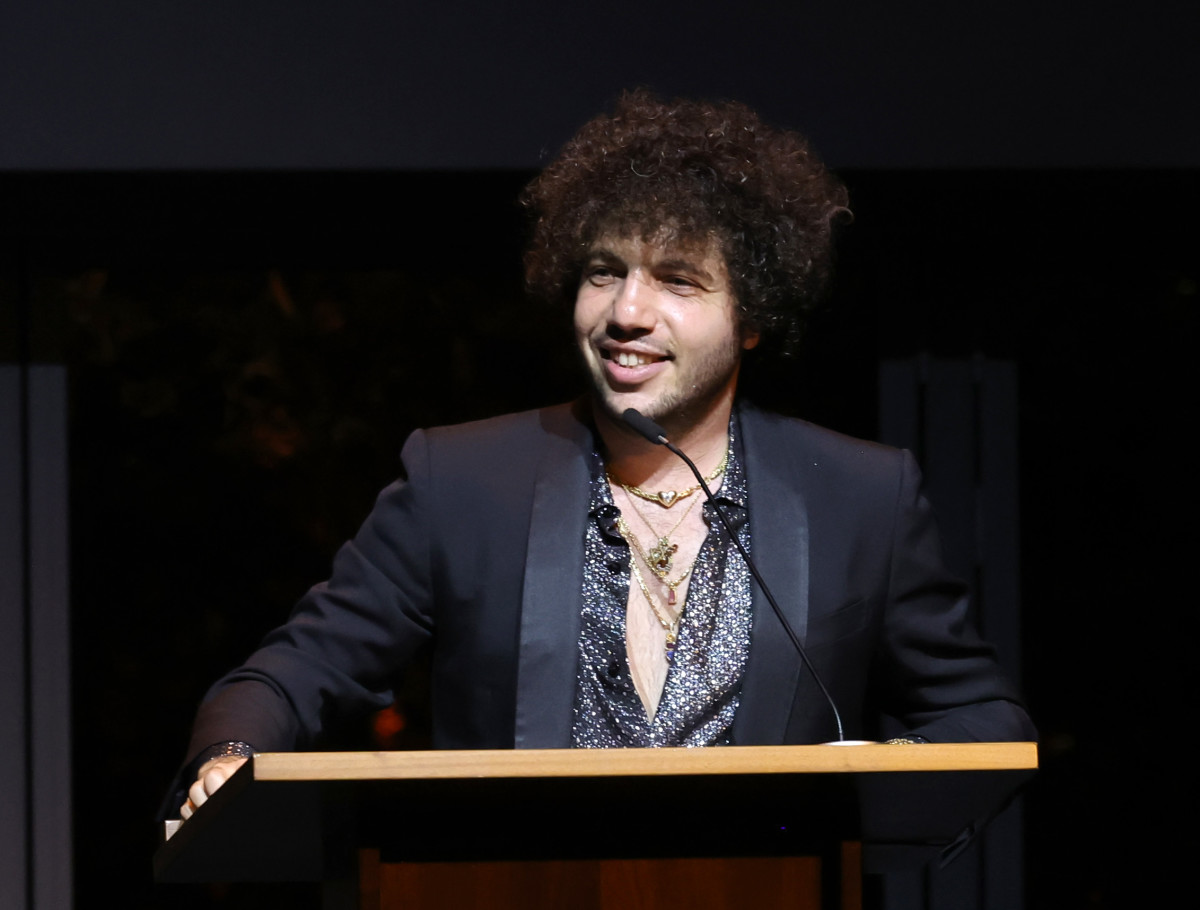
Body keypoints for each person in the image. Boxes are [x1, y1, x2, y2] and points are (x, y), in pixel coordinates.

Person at [173, 89, 1036, 821]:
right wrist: (234, 749)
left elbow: (983, 720)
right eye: (602, 271)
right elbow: (296, 671)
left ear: (753, 315)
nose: (627, 311)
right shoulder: (463, 482)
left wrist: (850, 791)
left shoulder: (861, 496)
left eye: (677, 279)